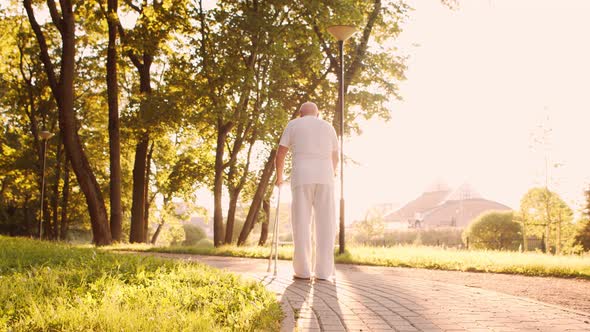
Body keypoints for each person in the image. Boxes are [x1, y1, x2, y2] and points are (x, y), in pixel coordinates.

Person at [275, 102, 339, 281]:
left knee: (301, 222)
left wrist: (279, 178)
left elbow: (280, 153)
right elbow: (335, 157)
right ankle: (324, 272)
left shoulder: (293, 124)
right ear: (317, 114)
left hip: (302, 177)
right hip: (325, 177)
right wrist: (330, 174)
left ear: (300, 113)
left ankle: (302, 271)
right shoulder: (328, 127)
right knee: (326, 224)